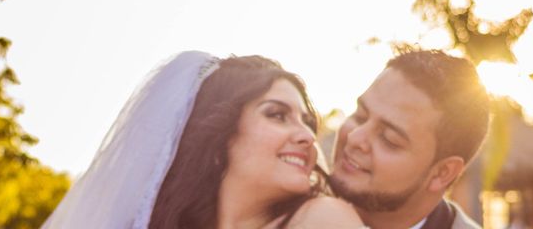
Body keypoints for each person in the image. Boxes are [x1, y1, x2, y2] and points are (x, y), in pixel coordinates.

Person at [42, 50, 365, 229]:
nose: (307, 136)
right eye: (277, 115)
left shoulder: (322, 219)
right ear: (219, 138)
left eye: (308, 123)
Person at [330, 49, 490, 229]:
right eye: (360, 116)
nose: (354, 138)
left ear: (442, 172)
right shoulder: (297, 204)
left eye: (389, 139)